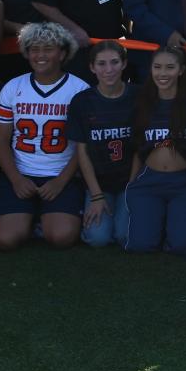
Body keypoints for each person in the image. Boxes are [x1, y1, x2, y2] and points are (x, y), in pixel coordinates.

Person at [0, 22, 91, 250]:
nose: (40, 55)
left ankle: (40, 217)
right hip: (21, 172)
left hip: (60, 174)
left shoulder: (79, 90)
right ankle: (32, 217)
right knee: (5, 240)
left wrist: (61, 180)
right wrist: (16, 178)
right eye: (34, 49)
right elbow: (0, 141)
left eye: (48, 49)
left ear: (63, 53)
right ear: (26, 52)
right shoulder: (12, 87)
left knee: (62, 237)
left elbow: (84, 145)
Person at [119, 47, 186, 254]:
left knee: (182, 246)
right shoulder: (142, 101)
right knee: (141, 246)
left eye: (170, 67)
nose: (162, 73)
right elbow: (137, 148)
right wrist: (132, 184)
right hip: (149, 181)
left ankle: (172, 223)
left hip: (183, 183)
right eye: (157, 67)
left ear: (181, 70)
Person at [69, 41, 137, 248]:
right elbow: (82, 152)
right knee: (98, 239)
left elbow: (140, 149)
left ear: (124, 64)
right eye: (101, 64)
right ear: (92, 67)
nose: (109, 70)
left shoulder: (138, 96)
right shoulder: (82, 101)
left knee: (126, 237)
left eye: (115, 62)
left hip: (129, 179)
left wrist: (132, 188)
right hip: (99, 182)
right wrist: (96, 195)